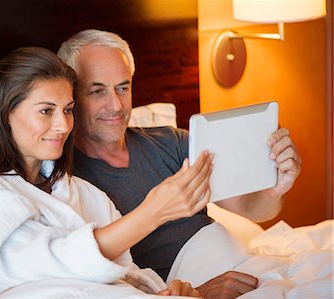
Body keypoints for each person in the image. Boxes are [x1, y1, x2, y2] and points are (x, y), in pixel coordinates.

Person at [0, 46, 210, 297]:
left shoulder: (82, 192)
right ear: (5, 114)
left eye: (67, 110)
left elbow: (124, 274)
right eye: (46, 111)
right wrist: (151, 213)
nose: (63, 125)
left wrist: (163, 291)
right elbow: (39, 266)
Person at [57, 29, 302, 298]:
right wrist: (199, 292)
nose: (115, 105)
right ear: (70, 96)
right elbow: (87, 272)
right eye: (97, 91)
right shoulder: (66, 180)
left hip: (240, 264)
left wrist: (274, 187)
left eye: (122, 88)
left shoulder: (171, 142)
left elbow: (250, 209)